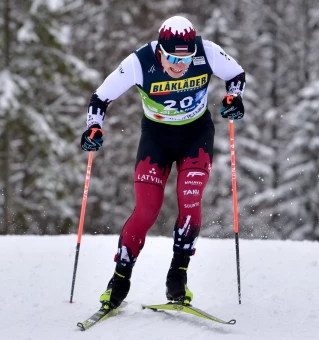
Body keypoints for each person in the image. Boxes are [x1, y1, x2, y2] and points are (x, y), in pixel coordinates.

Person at [80, 15, 246, 310]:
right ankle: (119, 280)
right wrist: (94, 127)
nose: (179, 66)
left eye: (186, 59)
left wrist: (234, 98)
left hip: (196, 135)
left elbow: (236, 75)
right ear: (160, 51)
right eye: (171, 59)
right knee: (146, 210)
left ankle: (177, 277)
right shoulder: (140, 62)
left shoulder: (206, 51)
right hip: (156, 139)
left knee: (190, 199)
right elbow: (100, 97)